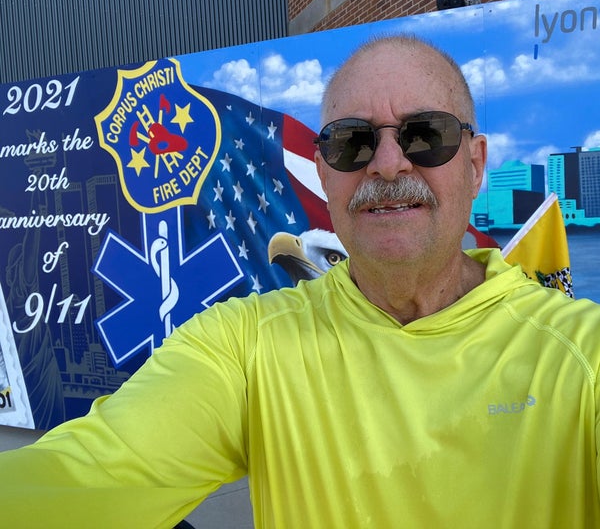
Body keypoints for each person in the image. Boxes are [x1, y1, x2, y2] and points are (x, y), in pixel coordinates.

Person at [2, 34, 600, 528]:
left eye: (425, 135)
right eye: (351, 143)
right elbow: (91, 474)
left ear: (474, 165)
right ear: (323, 174)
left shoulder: (581, 358)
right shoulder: (246, 346)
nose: (388, 164)